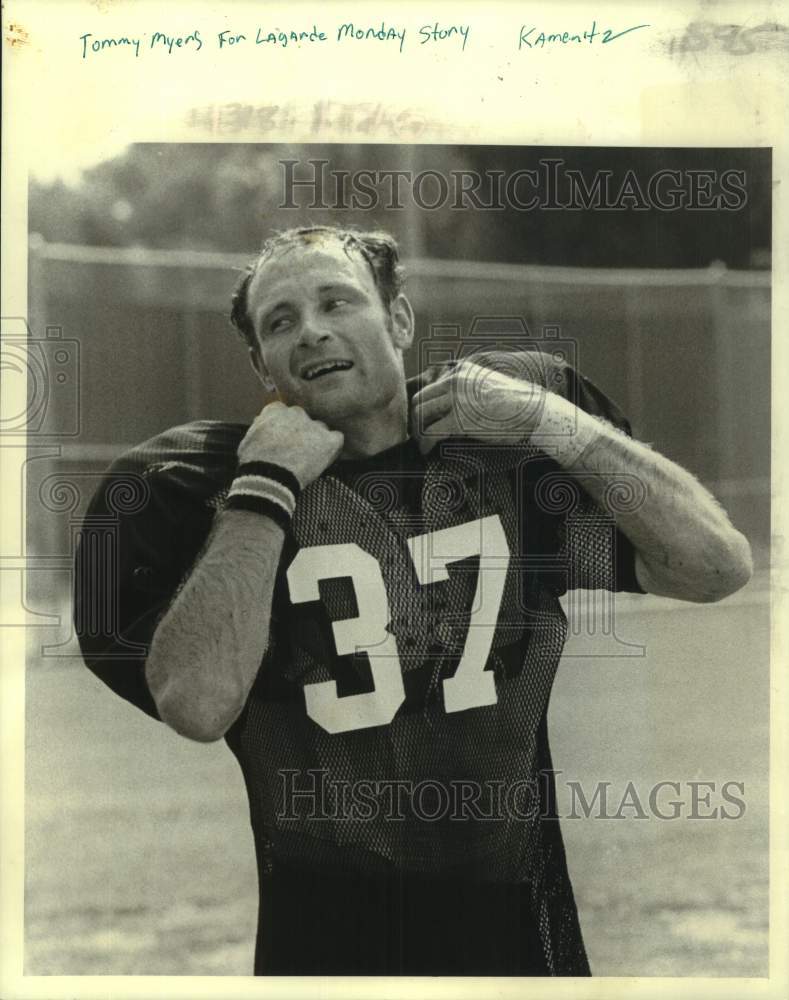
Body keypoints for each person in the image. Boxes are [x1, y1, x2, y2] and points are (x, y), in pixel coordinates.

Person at [75, 224, 753, 976]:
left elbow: (712, 568)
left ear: (399, 319)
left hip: (519, 945)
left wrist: (550, 421)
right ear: (259, 363)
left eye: (337, 301)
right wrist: (264, 485)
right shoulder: (214, 491)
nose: (312, 330)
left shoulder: (494, 460)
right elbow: (199, 705)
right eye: (281, 321)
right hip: (326, 953)